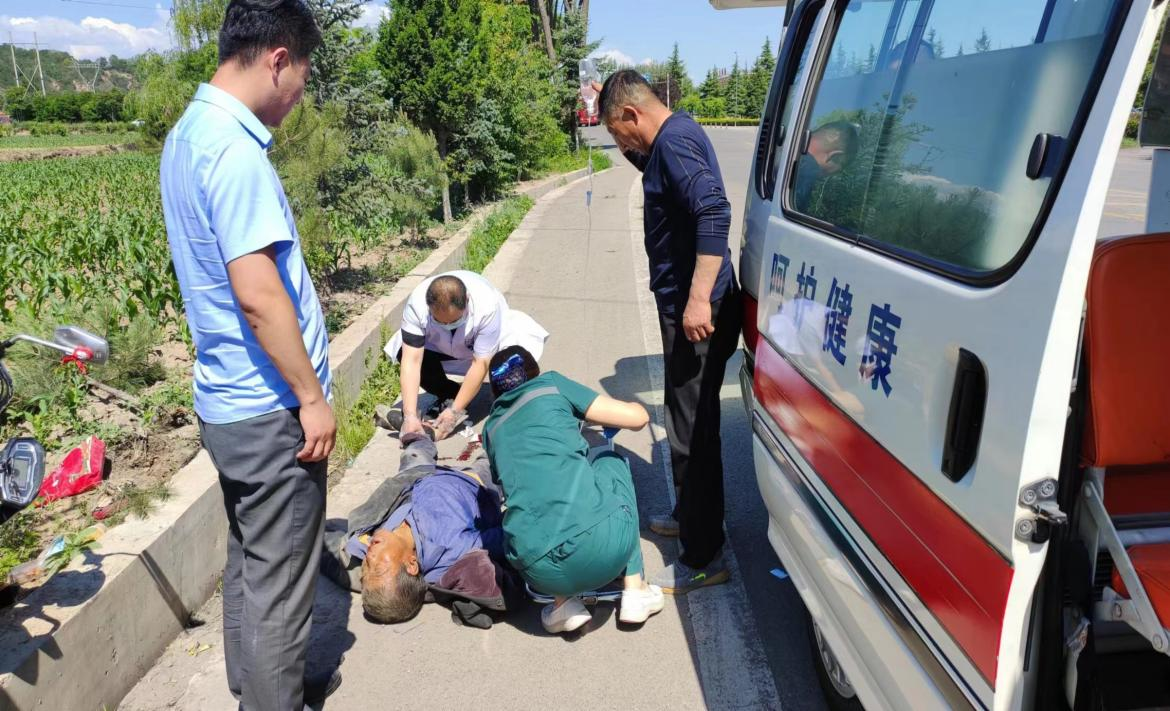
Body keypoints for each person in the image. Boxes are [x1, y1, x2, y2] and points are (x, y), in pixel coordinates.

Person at [160, 1, 336, 708]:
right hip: (270, 410)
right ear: (278, 60)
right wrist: (312, 398)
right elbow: (260, 296)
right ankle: (269, 695)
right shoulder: (234, 153)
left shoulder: (189, 134)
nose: (298, 100)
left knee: (253, 559)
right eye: (302, 82)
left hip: (228, 403)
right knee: (281, 585)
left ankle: (253, 680)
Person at [596, 70, 742, 594]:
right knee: (690, 421)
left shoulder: (674, 144)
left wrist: (698, 298)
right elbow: (662, 177)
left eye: (616, 131)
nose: (619, 141)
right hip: (690, 306)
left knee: (690, 430)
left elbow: (714, 210)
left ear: (631, 113)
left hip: (696, 311)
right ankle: (692, 515)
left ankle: (702, 557)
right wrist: (630, 152)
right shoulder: (670, 140)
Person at [482, 347, 664, 634]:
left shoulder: (491, 428)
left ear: (495, 390)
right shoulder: (550, 385)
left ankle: (563, 604)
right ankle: (635, 589)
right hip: (604, 549)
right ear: (534, 372)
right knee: (610, 462)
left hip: (538, 572)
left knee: (532, 500)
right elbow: (638, 418)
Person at [319, 433, 518, 628]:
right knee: (504, 447)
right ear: (412, 564)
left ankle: (420, 433)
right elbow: (513, 535)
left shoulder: (364, 549)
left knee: (414, 451)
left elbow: (323, 550)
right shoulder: (454, 547)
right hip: (471, 481)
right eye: (378, 568)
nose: (369, 559)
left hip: (412, 478)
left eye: (365, 570)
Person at [382, 270, 548, 440]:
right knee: (403, 351)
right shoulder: (416, 304)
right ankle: (451, 393)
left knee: (511, 367)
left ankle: (511, 403)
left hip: (489, 347)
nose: (447, 325)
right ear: (428, 306)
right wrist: (410, 415)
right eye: (440, 321)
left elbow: (480, 364)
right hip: (440, 346)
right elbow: (412, 361)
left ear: (467, 300)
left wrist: (454, 413)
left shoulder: (486, 305)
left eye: (454, 321)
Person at [793, 121, 860, 212]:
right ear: (835, 156)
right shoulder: (808, 172)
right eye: (841, 166)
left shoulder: (789, 144)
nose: (835, 174)